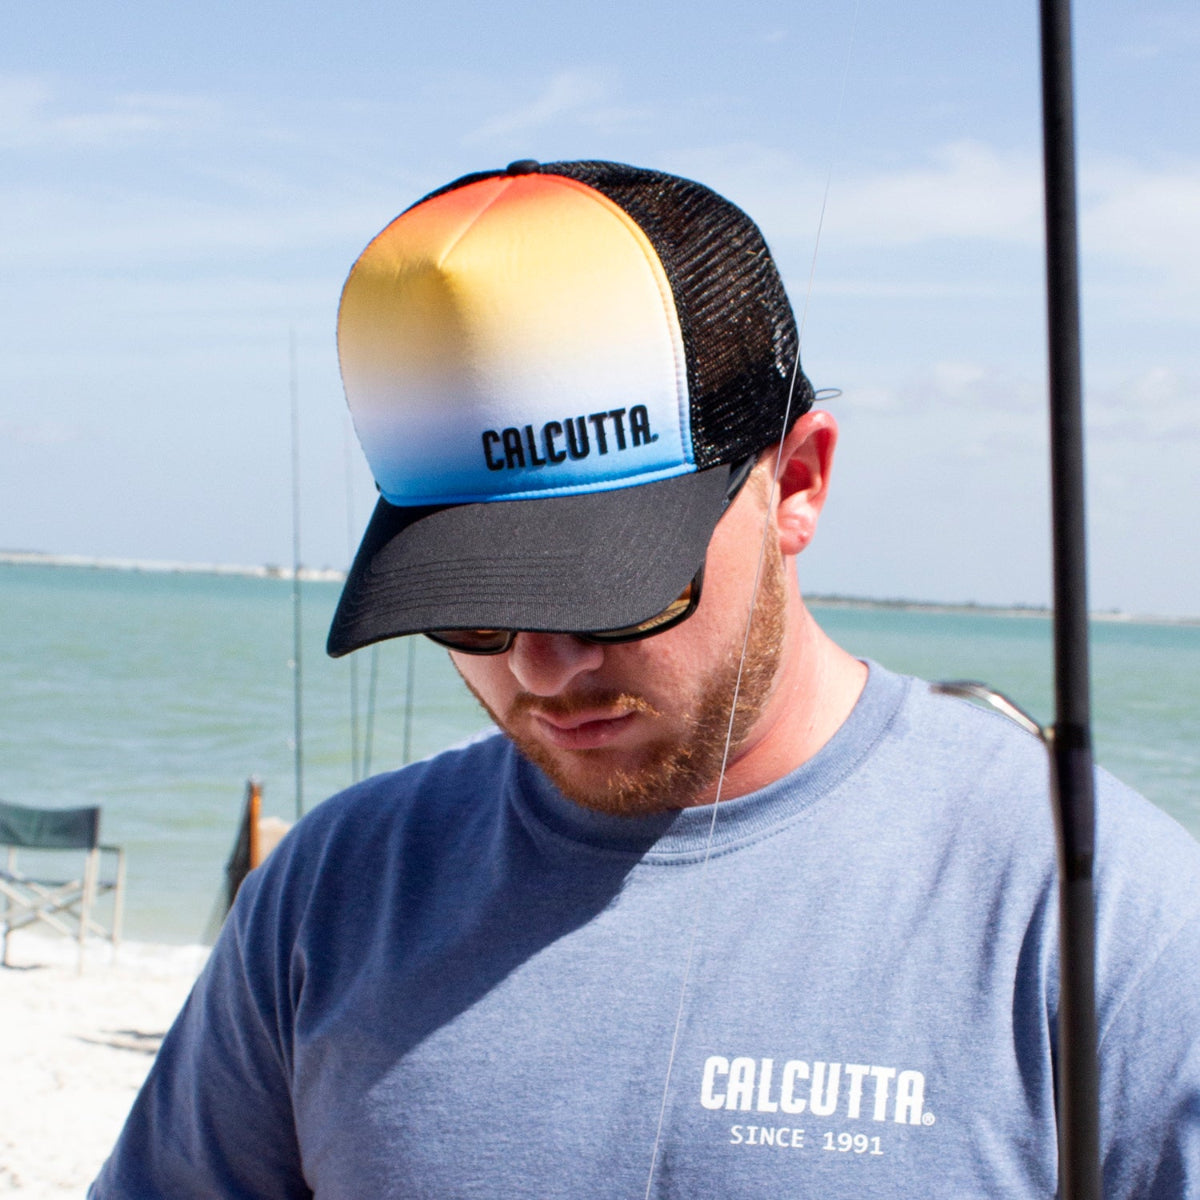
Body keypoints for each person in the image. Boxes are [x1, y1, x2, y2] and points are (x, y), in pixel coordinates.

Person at [92, 160, 1200, 1198]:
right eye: (470, 607)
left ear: (798, 481)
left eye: (605, 590)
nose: (541, 667)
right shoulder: (335, 890)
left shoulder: (1100, 916)